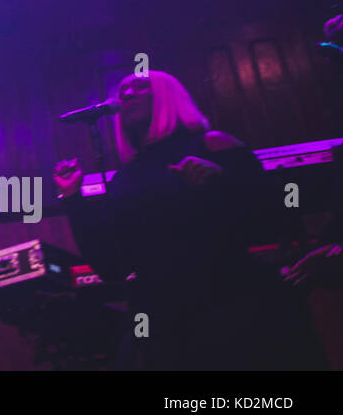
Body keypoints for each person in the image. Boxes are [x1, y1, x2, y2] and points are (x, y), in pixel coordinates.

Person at [52, 70, 326, 369]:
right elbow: (110, 266)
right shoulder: (124, 178)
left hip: (229, 304)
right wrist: (73, 198)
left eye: (140, 87)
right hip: (165, 319)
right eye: (123, 91)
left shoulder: (212, 145)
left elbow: (272, 220)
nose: (127, 95)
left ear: (170, 97)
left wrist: (222, 182)